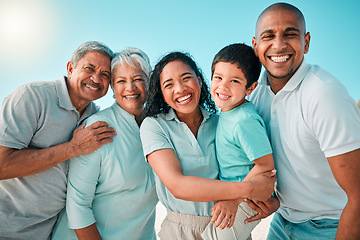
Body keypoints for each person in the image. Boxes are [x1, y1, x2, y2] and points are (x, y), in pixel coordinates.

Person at [248, 3, 360, 240]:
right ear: (255, 46)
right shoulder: (256, 96)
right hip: (284, 220)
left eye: (290, 34)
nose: (278, 45)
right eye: (269, 36)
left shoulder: (324, 95)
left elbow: (359, 196)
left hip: (333, 224)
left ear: (306, 42)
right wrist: (275, 200)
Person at [140, 51, 277, 240]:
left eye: (186, 78)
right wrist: (244, 191)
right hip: (180, 231)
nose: (179, 89)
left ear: (200, 80)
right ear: (161, 93)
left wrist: (272, 202)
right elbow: (177, 185)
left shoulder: (222, 123)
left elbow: (255, 167)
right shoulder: (154, 126)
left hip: (228, 221)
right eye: (169, 85)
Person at [0, 41, 117, 240]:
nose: (96, 78)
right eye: (89, 68)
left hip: (46, 234)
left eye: (105, 74)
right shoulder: (32, 96)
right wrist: (73, 148)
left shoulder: (96, 117)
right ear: (70, 68)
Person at [51, 48, 158, 240]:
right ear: (113, 89)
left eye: (138, 79)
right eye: (121, 81)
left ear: (149, 82)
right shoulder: (97, 128)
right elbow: (78, 205)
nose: (130, 88)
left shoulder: (160, 128)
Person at [201, 43, 275, 240]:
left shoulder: (244, 120)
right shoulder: (228, 112)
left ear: (250, 87)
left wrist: (235, 199)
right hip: (233, 194)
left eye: (234, 80)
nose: (223, 86)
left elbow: (266, 164)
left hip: (246, 199)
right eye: (218, 77)